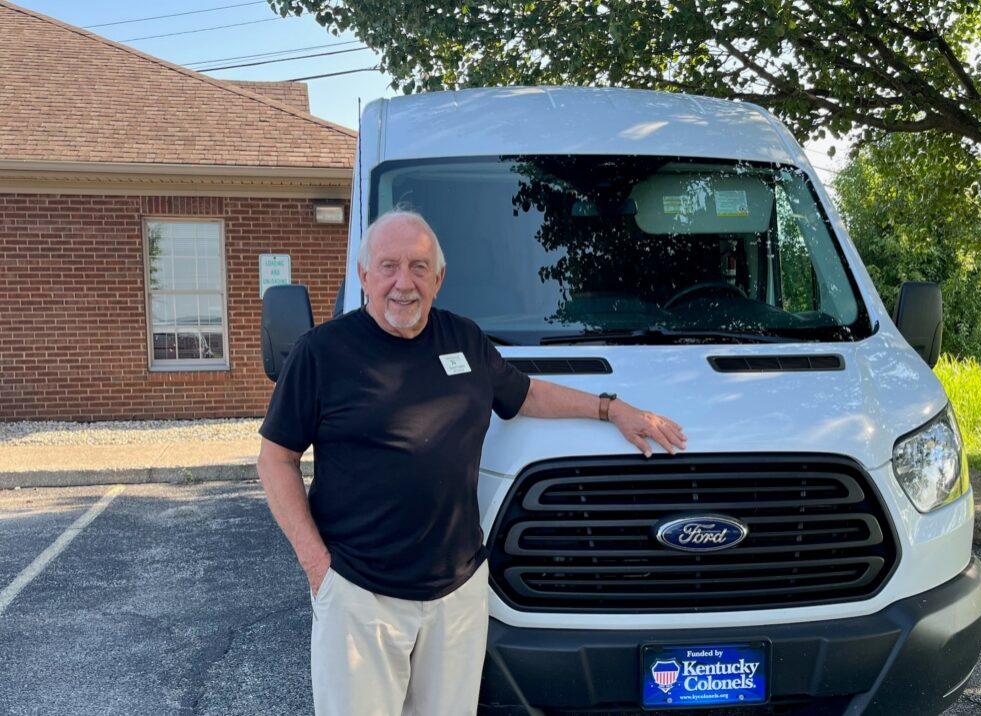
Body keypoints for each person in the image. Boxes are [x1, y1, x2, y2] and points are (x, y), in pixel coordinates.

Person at [257, 210, 687, 716]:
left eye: (419, 267)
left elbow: (526, 395)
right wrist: (317, 566)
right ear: (364, 275)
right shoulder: (321, 353)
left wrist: (610, 409)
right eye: (389, 266)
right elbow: (276, 459)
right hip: (360, 594)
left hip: (456, 594)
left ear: (439, 278)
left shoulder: (463, 339)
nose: (404, 283)